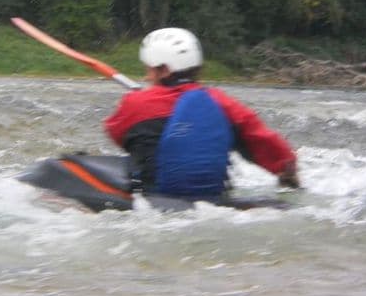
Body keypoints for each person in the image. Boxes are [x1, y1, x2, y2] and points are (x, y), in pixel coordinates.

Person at [104, 27, 300, 198]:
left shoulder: (136, 102)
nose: (147, 75)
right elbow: (273, 149)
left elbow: (116, 133)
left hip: (154, 202)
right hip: (214, 202)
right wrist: (287, 176)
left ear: (164, 70)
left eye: (149, 69)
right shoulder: (223, 103)